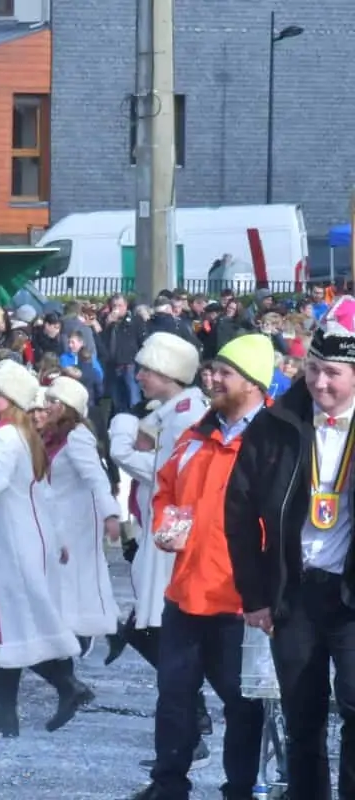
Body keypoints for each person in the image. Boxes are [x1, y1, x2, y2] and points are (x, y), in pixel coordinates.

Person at [125, 334, 274, 800]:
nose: (211, 378)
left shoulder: (274, 438)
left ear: (252, 383)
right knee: (174, 697)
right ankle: (168, 786)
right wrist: (169, 521)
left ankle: (241, 789)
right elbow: (165, 487)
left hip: (239, 599)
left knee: (242, 703)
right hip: (186, 591)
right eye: (212, 369)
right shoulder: (196, 434)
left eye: (224, 372)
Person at [225, 296, 355, 800]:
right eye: (314, 370)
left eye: (334, 374)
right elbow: (237, 513)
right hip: (295, 592)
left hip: (349, 596)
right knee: (302, 719)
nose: (320, 384)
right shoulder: (277, 424)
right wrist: (255, 594)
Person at [0, 361, 90, 738]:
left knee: (12, 625)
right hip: (35, 538)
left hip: (14, 542)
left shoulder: (0, 437)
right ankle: (7, 711)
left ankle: (64, 687)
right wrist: (58, 537)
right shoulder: (25, 435)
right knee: (15, 627)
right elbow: (42, 492)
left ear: (9, 398)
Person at [106, 332, 213, 770]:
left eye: (148, 369)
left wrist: (122, 454)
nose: (141, 376)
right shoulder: (171, 413)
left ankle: (189, 739)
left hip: (173, 549)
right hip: (162, 542)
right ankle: (184, 739)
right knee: (162, 643)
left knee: (172, 646)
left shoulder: (187, 415)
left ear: (170, 373)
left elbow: (172, 476)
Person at [41, 376, 121, 652]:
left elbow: (97, 478)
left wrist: (111, 514)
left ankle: (82, 633)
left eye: (53, 401)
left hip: (78, 520)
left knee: (77, 578)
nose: (46, 406)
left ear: (66, 407)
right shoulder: (50, 436)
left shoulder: (77, 437)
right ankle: (88, 632)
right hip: (58, 520)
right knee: (62, 579)